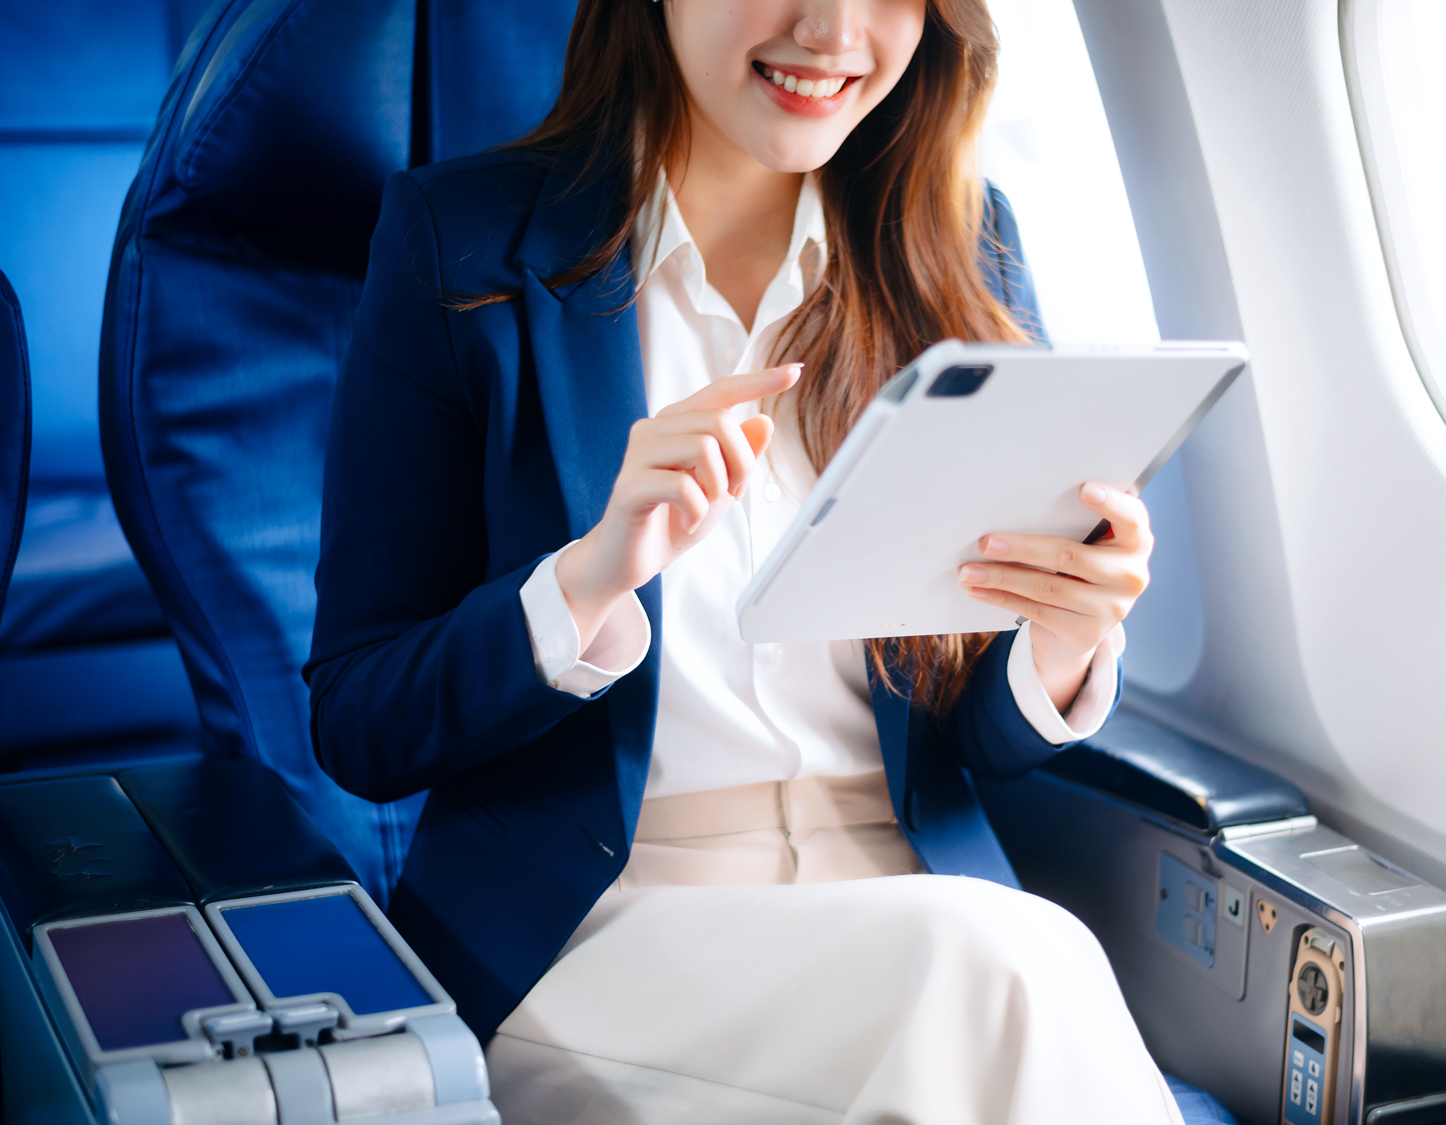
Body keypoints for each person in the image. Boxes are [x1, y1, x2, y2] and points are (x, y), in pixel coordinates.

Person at [305, 0, 1178, 1121]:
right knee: (1004, 969)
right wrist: (586, 582)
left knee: (976, 980)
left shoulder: (961, 247)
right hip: (604, 933)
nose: (832, 29)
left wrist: (1059, 642)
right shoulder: (459, 240)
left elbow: (972, 742)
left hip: (906, 906)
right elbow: (360, 717)